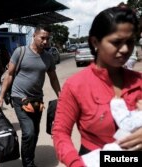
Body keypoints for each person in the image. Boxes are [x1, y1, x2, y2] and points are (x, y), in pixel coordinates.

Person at [52, 6, 142, 167]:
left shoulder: (139, 81)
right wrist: (75, 163)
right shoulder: (76, 85)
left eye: (130, 42)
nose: (125, 49)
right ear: (95, 42)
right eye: (116, 42)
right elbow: (60, 133)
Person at [0, 25, 61, 167]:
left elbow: (53, 78)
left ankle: (29, 157)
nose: (45, 41)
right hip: (19, 97)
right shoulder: (21, 52)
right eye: (42, 38)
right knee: (29, 132)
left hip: (37, 99)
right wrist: (1, 96)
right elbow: (10, 75)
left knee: (35, 132)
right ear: (34, 36)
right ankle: (28, 163)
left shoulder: (48, 57)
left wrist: (60, 96)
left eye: (47, 39)